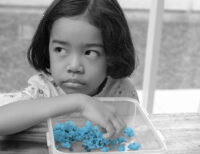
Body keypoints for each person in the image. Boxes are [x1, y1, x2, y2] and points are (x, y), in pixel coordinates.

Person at [0, 0, 138, 137]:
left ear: (113, 53)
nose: (74, 67)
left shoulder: (121, 90)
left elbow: (134, 132)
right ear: (46, 47)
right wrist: (79, 103)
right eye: (60, 50)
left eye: (90, 52)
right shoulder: (45, 90)